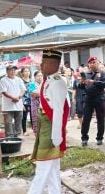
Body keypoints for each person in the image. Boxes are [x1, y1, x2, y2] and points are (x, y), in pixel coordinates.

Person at [28, 49, 69, 194]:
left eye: (43, 64)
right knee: (52, 170)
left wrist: (57, 135)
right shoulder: (48, 81)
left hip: (51, 128)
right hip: (45, 125)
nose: (40, 66)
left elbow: (59, 111)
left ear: (53, 65)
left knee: (42, 169)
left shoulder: (58, 83)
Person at [80, 56, 105, 146]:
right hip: (88, 99)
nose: (92, 64)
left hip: (99, 98)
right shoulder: (85, 74)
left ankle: (99, 138)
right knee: (86, 119)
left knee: (100, 119)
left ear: (98, 63)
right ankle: (84, 138)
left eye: (94, 62)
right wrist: (81, 83)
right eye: (90, 63)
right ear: (88, 64)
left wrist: (94, 82)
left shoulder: (103, 74)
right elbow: (80, 87)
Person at [0, 65, 26, 137]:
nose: (13, 72)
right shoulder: (3, 80)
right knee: (8, 123)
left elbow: (23, 90)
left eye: (14, 70)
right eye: (11, 70)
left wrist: (19, 97)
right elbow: (3, 92)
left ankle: (18, 137)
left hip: (18, 105)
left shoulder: (19, 79)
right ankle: (9, 138)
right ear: (7, 71)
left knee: (18, 122)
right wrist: (12, 98)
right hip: (7, 106)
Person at [20, 67, 34, 136]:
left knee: (32, 115)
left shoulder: (31, 81)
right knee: (24, 116)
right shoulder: (20, 81)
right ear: (22, 73)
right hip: (24, 101)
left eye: (28, 71)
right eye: (25, 71)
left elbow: (33, 91)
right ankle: (24, 131)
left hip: (31, 101)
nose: (27, 72)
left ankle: (34, 129)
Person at [30, 71, 43, 135]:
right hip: (35, 104)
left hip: (43, 104)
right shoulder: (32, 84)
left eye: (41, 76)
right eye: (38, 76)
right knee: (36, 118)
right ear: (35, 77)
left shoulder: (44, 84)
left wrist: (39, 93)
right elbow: (33, 94)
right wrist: (43, 93)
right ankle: (36, 133)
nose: (40, 77)